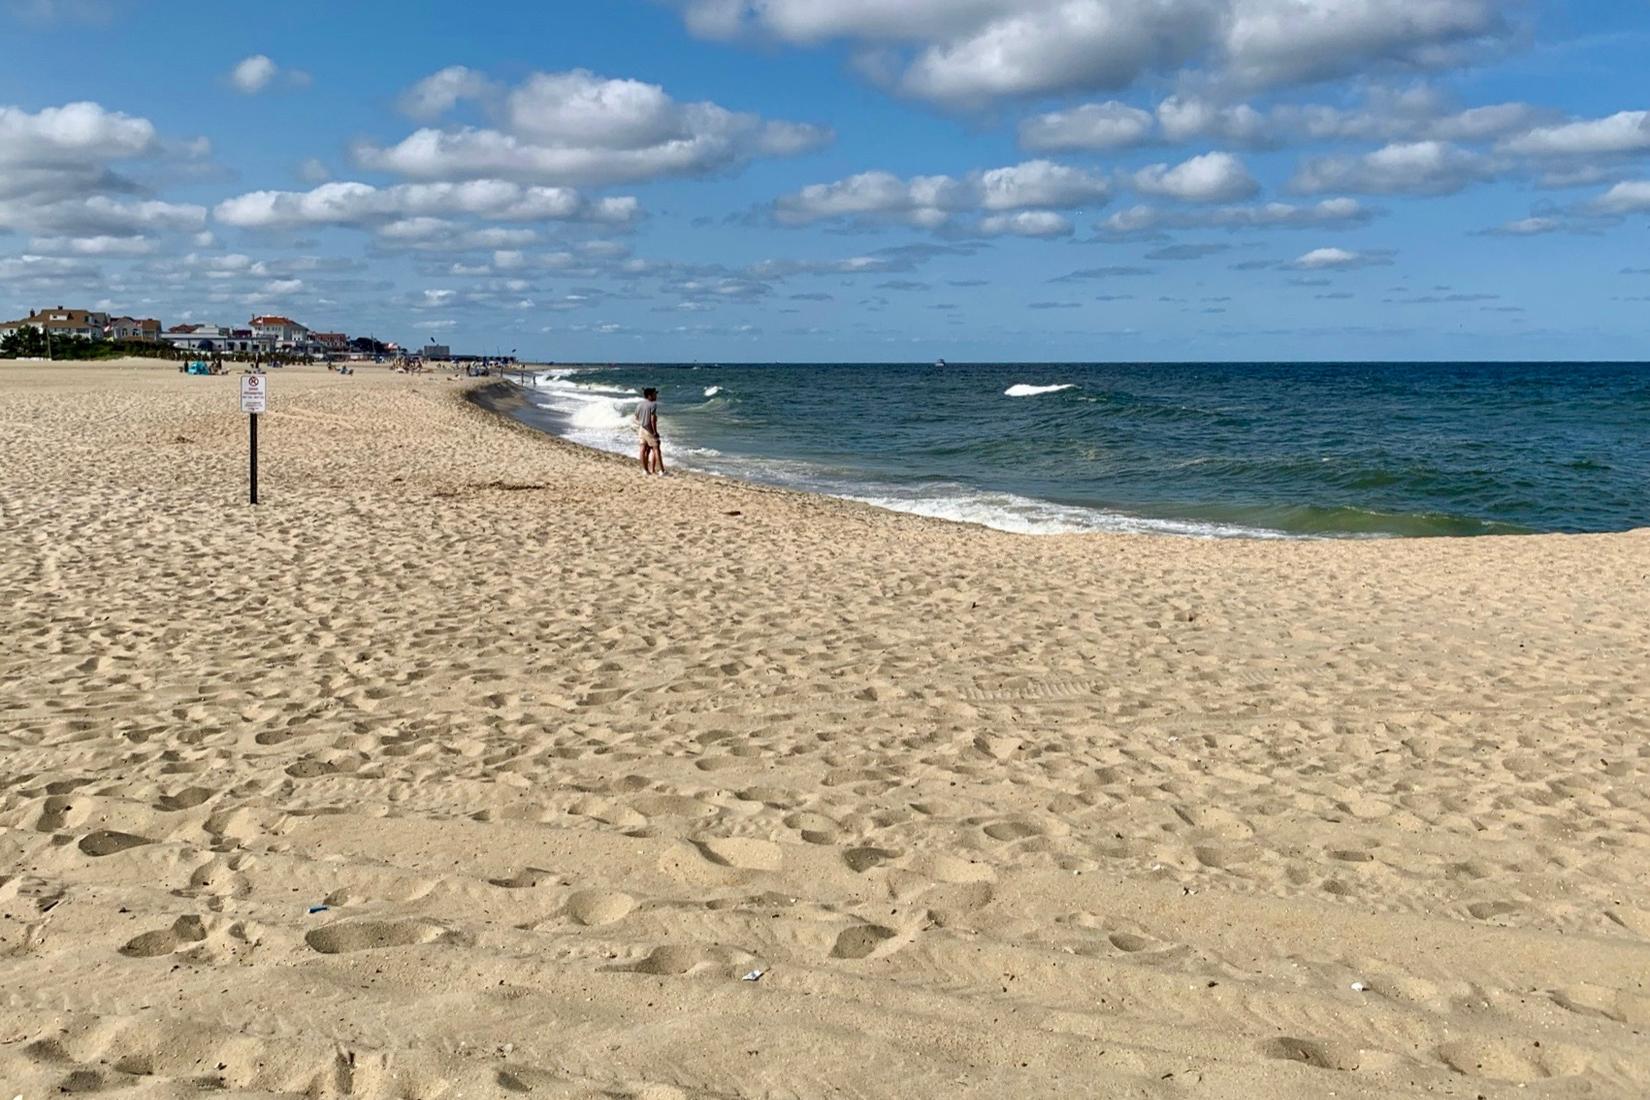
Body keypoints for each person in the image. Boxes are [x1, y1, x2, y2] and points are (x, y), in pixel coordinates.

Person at [635, 387, 665, 475]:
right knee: (656, 449)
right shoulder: (653, 405)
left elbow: (636, 417)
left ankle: (645, 470)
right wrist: (655, 432)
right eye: (655, 394)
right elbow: (652, 420)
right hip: (649, 429)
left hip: (641, 429)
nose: (656, 395)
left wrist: (643, 420)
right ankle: (661, 471)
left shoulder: (639, 405)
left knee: (642, 449)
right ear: (649, 396)